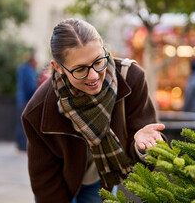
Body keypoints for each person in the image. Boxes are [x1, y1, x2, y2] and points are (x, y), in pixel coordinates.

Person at [21, 18, 165, 203]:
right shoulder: (38, 112)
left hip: (101, 180)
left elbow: (147, 157)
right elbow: (44, 181)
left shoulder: (131, 78)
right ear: (58, 67)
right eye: (80, 69)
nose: (94, 76)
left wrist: (141, 147)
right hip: (60, 184)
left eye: (98, 61)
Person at [16, 51, 37, 151]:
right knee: (25, 123)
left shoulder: (21, 68)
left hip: (20, 99)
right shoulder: (29, 70)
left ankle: (19, 145)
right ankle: (24, 146)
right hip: (26, 100)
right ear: (32, 61)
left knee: (20, 122)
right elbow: (30, 87)